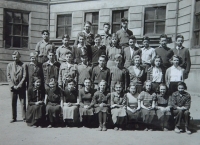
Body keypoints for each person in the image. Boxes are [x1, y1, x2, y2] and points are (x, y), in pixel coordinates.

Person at [7, 51, 27, 123]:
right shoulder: (9, 65)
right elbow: (8, 76)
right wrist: (12, 85)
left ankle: (24, 117)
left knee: (23, 102)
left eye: (17, 57)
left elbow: (24, 76)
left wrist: (19, 85)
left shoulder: (23, 65)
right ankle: (14, 117)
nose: (15, 59)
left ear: (19, 57)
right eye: (14, 57)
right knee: (13, 102)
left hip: (21, 87)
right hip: (13, 88)